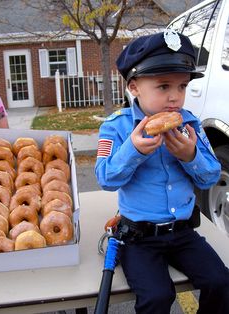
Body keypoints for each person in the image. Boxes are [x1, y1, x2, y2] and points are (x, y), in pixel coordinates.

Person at [95, 30, 229, 314]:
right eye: (163, 86)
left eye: (181, 87)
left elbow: (210, 176)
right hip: (139, 238)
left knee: (220, 281)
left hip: (182, 233)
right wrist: (134, 150)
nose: (175, 98)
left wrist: (189, 156)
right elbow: (105, 178)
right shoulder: (117, 127)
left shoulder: (189, 124)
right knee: (157, 297)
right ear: (134, 87)